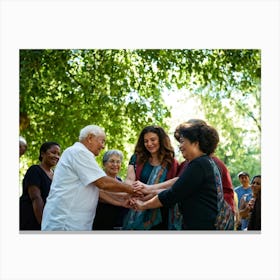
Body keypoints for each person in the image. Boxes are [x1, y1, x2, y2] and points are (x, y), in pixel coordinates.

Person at [41, 125, 139, 231]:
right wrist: (133, 190)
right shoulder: (78, 152)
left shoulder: (83, 154)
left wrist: (120, 202)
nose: (103, 146)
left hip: (76, 224)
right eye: (102, 141)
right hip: (65, 223)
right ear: (90, 138)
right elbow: (103, 183)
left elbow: (98, 192)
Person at [131, 123, 223, 230]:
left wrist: (143, 205)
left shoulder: (199, 165)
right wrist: (148, 189)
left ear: (195, 143)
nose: (180, 146)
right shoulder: (206, 162)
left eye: (183, 141)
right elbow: (179, 183)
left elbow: (172, 194)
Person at [123, 125, 179, 230]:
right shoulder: (137, 158)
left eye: (153, 140)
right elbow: (130, 179)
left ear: (161, 140)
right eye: (146, 141)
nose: (149, 144)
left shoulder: (171, 163)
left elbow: (171, 188)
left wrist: (147, 197)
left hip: (160, 212)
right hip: (136, 205)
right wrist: (131, 192)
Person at [20, 141, 61, 230]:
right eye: (53, 152)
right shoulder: (34, 170)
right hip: (32, 219)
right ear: (42, 154)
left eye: (58, 154)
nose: (56, 156)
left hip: (49, 220)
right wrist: (43, 224)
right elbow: (35, 198)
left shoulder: (56, 176)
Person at [92, 150, 129, 230]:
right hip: (101, 224)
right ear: (104, 164)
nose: (115, 165)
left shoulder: (120, 182)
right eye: (112, 161)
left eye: (118, 162)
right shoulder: (99, 180)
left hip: (119, 226)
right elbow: (100, 194)